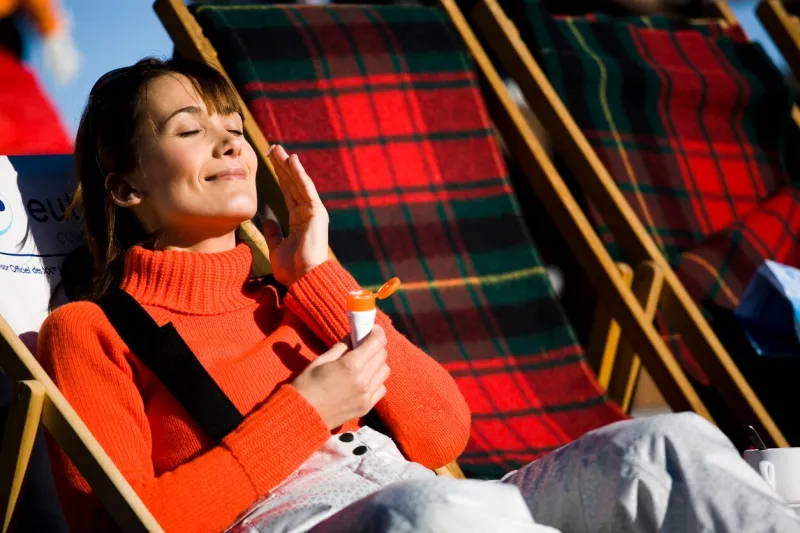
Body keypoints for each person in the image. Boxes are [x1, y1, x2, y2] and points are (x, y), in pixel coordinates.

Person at [37, 58, 800, 533]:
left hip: (435, 500)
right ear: (125, 185)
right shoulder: (92, 330)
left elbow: (442, 433)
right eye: (189, 128)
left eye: (233, 126)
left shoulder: (289, 291)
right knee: (441, 511)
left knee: (666, 446)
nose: (230, 141)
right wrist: (306, 410)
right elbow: (132, 522)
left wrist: (321, 274)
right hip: (312, 520)